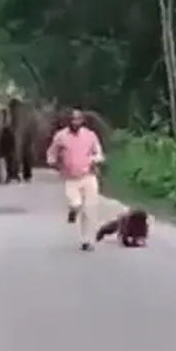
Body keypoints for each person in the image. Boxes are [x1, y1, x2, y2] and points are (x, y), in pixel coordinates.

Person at [46, 108, 105, 251]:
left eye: (78, 119)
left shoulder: (90, 135)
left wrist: (94, 159)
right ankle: (73, 211)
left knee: (89, 210)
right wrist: (52, 161)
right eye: (72, 119)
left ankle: (86, 240)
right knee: (76, 203)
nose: (75, 122)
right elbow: (52, 153)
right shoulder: (61, 136)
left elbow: (99, 153)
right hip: (70, 178)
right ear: (68, 121)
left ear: (82, 121)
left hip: (88, 176)